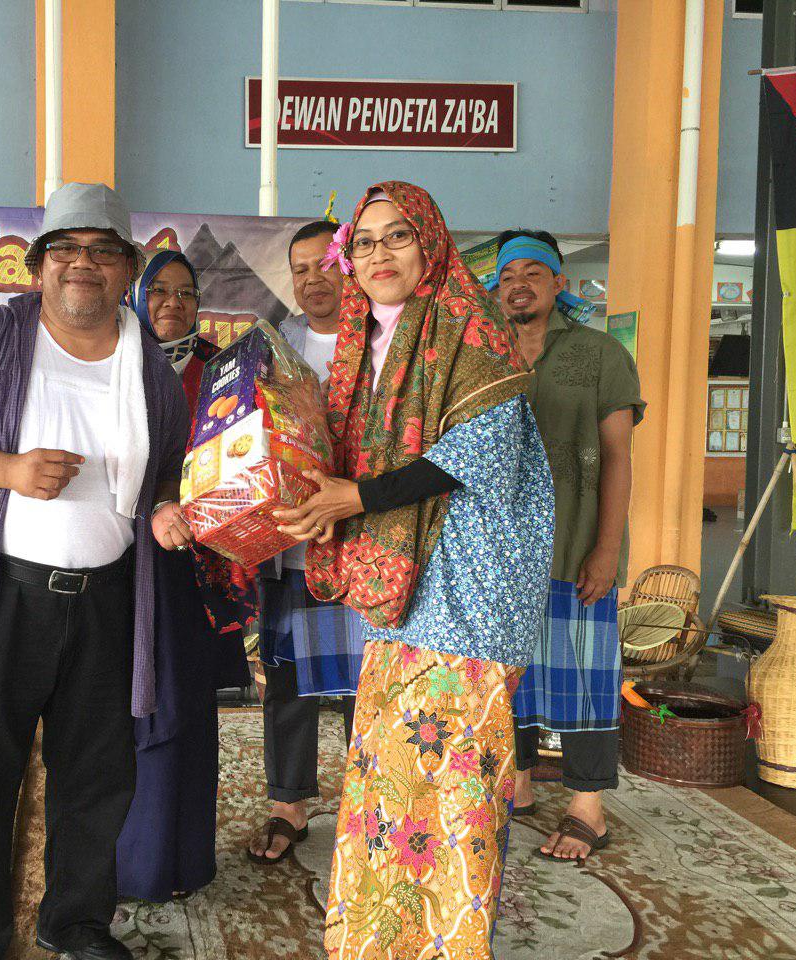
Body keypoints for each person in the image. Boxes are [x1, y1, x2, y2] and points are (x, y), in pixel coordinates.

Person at [0, 182, 191, 960]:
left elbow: (167, 469)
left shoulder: (150, 367)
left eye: (102, 250)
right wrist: (8, 470)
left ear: (127, 270)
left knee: (95, 774)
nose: (81, 263)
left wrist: (166, 506)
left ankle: (76, 921)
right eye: (65, 248)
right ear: (38, 266)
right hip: (3, 596)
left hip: (109, 599)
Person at [275, 182, 553, 959]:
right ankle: (377, 936)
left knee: (452, 781)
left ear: (430, 242)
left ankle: (446, 942)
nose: (378, 254)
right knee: (387, 772)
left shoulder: (471, 326)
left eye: (397, 236)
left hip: (469, 590)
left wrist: (353, 497)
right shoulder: (365, 345)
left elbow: (476, 454)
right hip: (403, 586)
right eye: (363, 242)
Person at [490, 229, 644, 865]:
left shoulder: (601, 354)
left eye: (534, 272)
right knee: (510, 675)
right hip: (498, 552)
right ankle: (519, 784)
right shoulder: (485, 353)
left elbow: (617, 457)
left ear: (559, 282)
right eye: (507, 275)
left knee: (584, 673)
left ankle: (588, 807)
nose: (518, 285)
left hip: (575, 543)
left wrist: (606, 551)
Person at [115, 250, 254, 902]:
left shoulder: (223, 370)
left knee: (186, 709)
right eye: (159, 291)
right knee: (131, 708)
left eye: (186, 292)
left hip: (198, 567)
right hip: (124, 562)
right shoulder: (114, 362)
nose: (173, 303)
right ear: (137, 297)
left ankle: (179, 861)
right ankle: (127, 863)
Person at [247, 220, 366, 866]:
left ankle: (370, 808)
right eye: (299, 269)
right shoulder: (273, 345)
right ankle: (288, 803)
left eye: (324, 264)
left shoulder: (381, 340)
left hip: (365, 546)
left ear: (349, 267)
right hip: (292, 542)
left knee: (364, 685)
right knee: (288, 679)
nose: (312, 279)